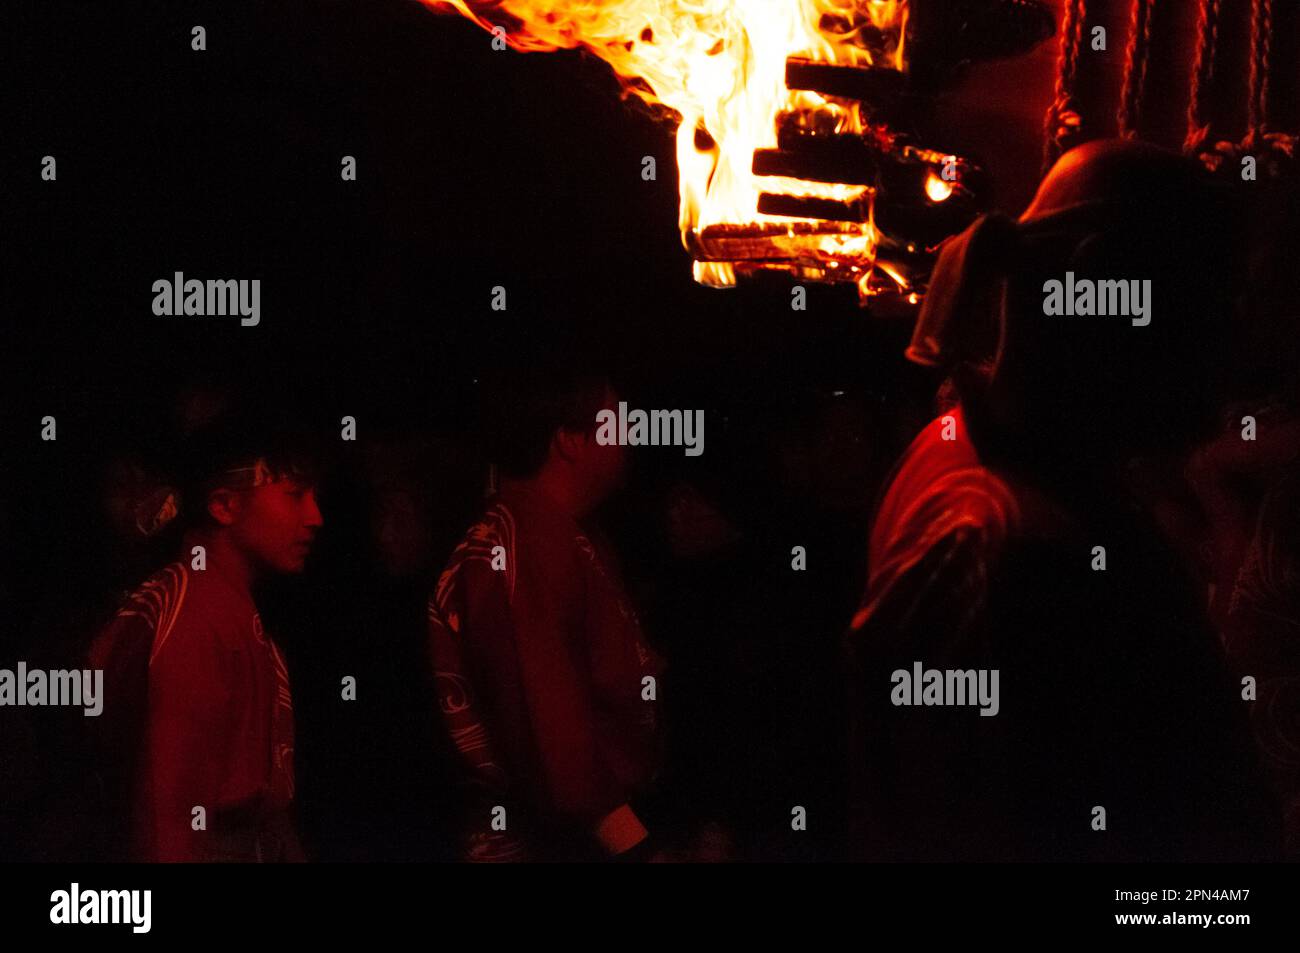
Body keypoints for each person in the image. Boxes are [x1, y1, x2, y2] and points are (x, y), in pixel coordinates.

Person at [846, 140, 1280, 861]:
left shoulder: (981, 466)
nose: (1230, 346)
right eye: (1209, 301)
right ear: (1098, 285)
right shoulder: (1007, 550)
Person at [427, 354, 663, 861]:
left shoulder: (565, 532)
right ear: (570, 439)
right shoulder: (522, 543)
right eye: (618, 420)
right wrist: (636, 847)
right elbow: (550, 736)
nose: (631, 433)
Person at [87, 399, 322, 861]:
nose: (316, 517)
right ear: (224, 504)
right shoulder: (193, 618)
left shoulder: (230, 605)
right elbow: (166, 821)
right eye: (295, 495)